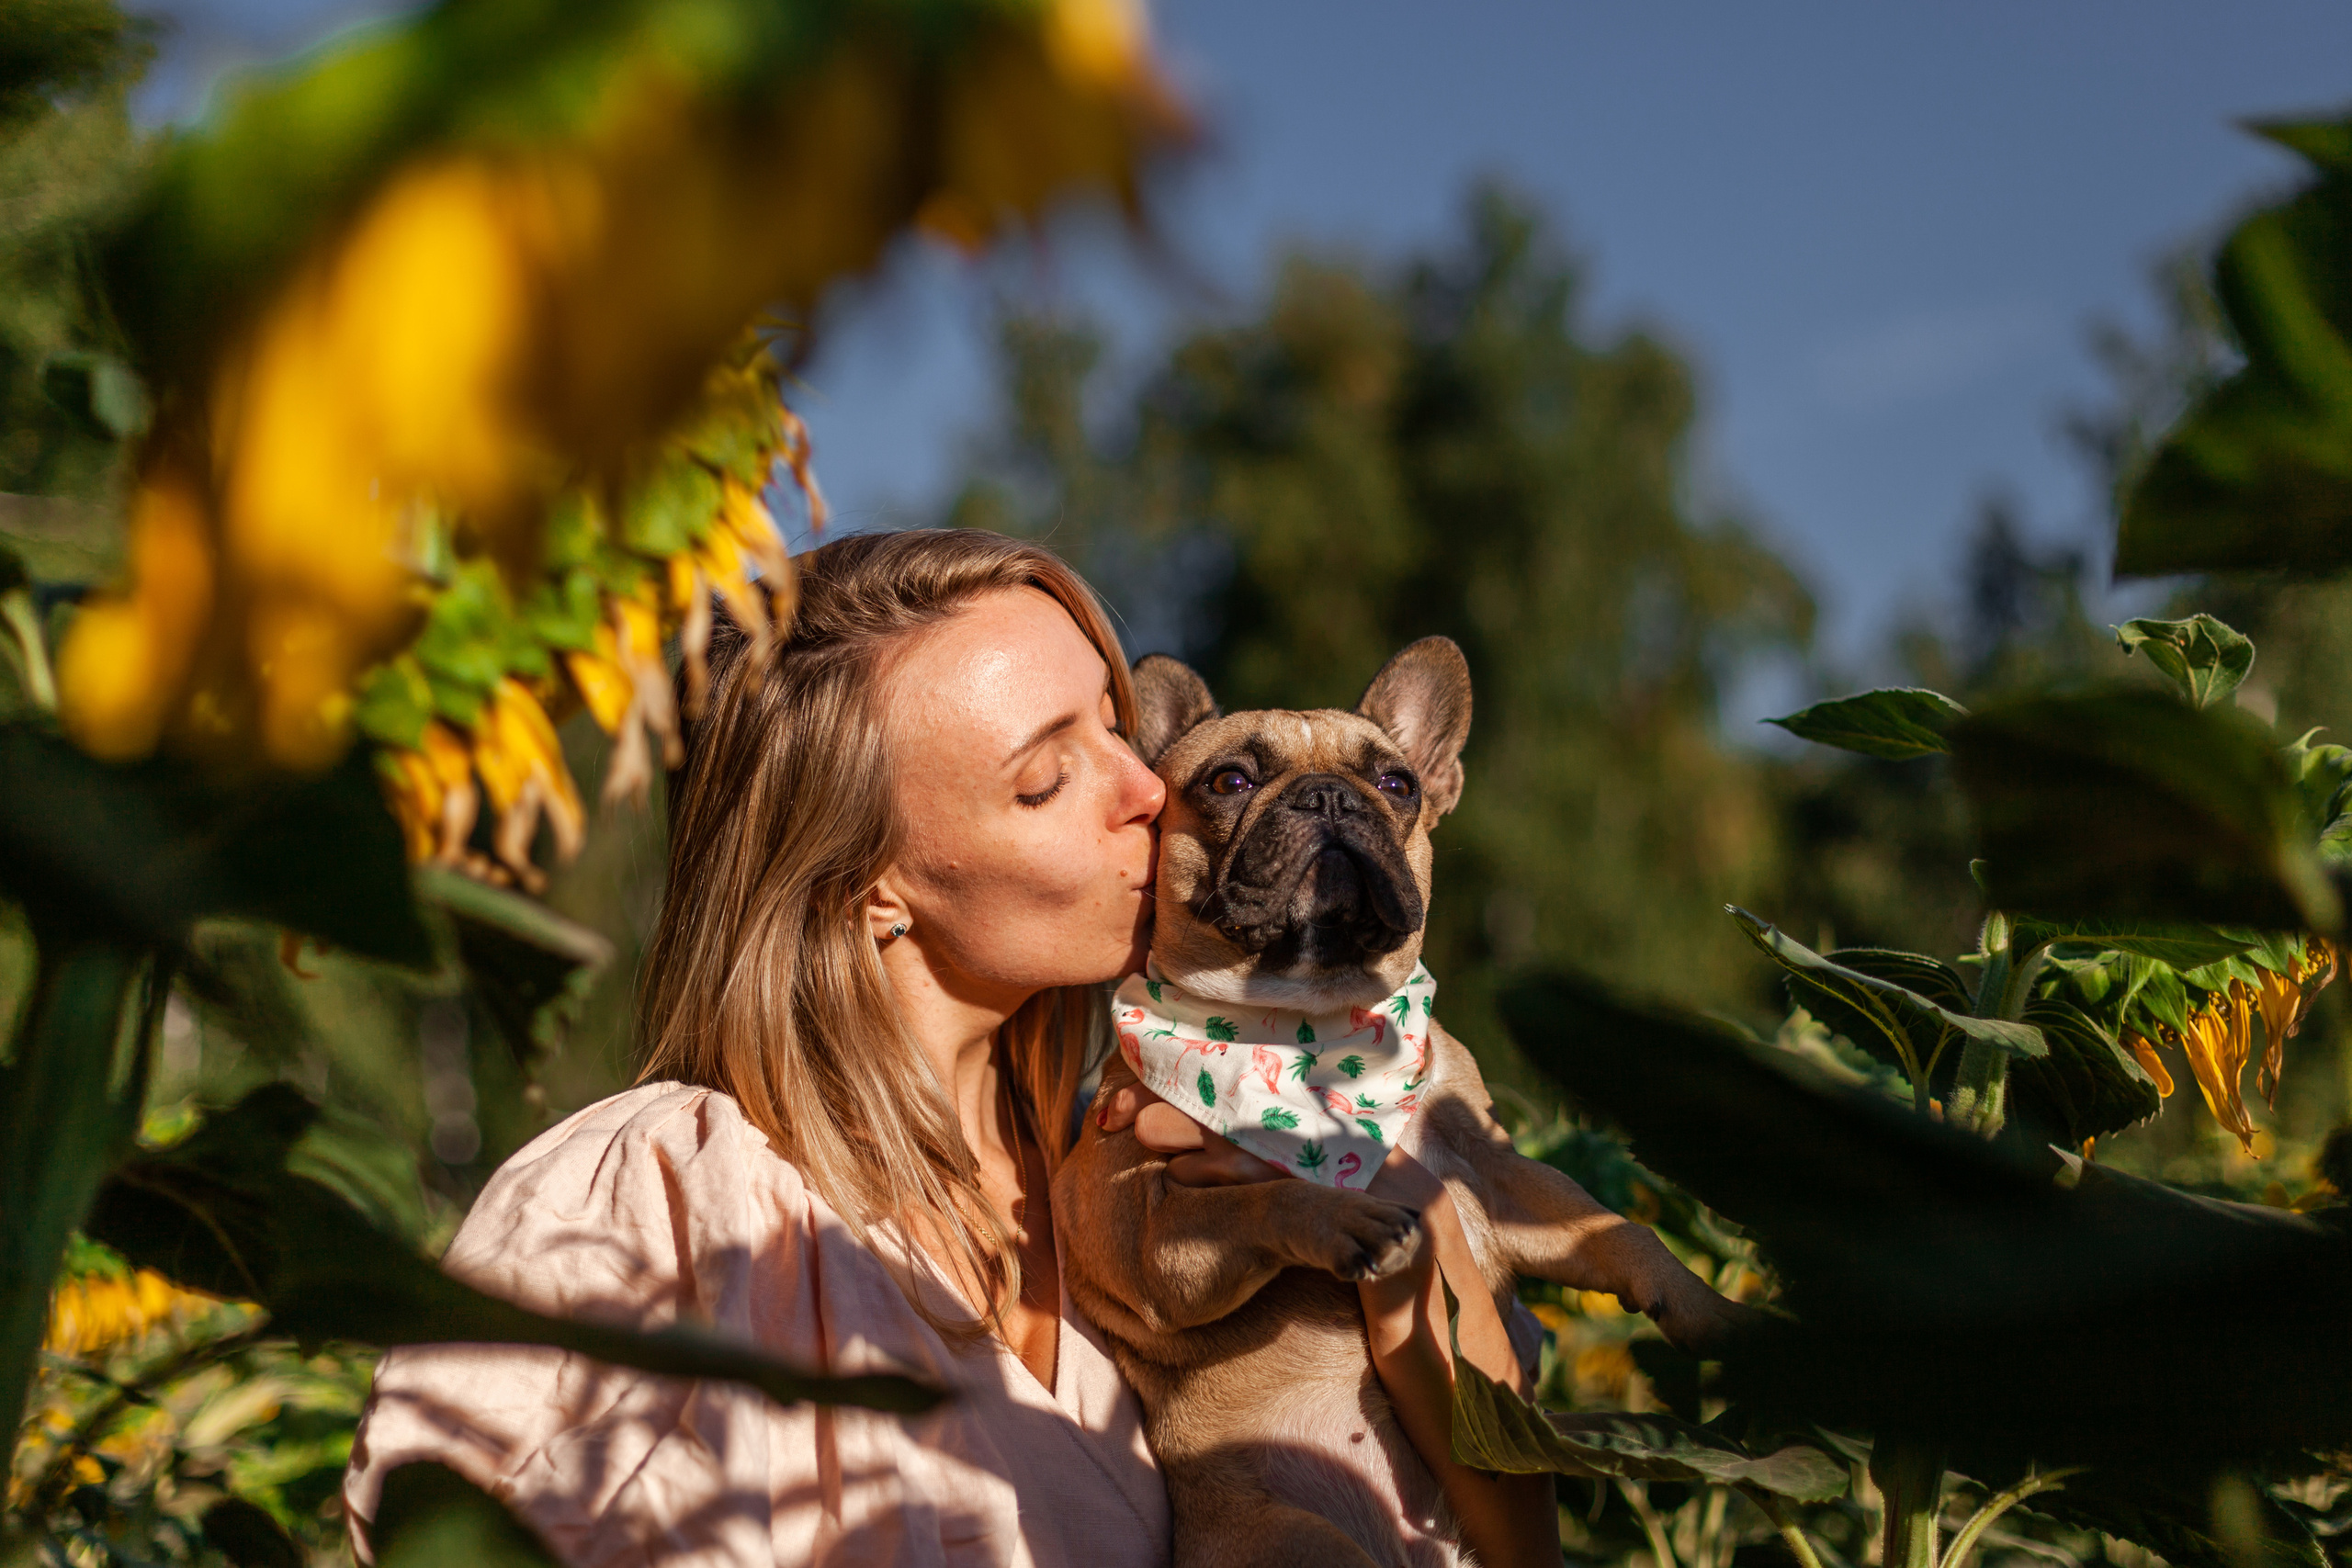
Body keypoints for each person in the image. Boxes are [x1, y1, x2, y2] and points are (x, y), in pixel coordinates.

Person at [342, 528, 1550, 1567]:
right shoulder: (657, 1197)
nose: (1153, 791)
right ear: (868, 884)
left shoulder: (1149, 1175)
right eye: (1048, 778)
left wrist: (1416, 1287)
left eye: (1119, 731)